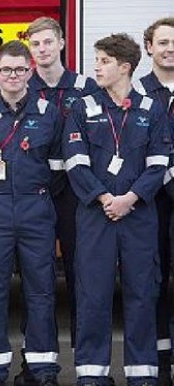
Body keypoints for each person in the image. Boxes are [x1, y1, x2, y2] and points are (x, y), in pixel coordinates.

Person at [63, 33, 169, 386]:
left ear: (124, 67)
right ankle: (92, 373)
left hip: (138, 216)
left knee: (142, 293)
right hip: (97, 215)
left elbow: (158, 165)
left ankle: (142, 374)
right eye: (96, 60)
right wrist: (106, 199)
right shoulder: (82, 107)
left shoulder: (151, 109)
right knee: (93, 293)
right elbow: (75, 162)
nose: (97, 67)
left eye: (104, 61)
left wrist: (130, 199)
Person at [0, 40, 63, 386]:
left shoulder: (49, 112)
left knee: (42, 291)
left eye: (20, 69)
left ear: (30, 72)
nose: (13, 76)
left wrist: (36, 196)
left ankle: (43, 369)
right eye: (6, 70)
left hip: (37, 209)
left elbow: (59, 169)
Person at [21, 16, 100, 386]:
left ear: (62, 44)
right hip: (35, 194)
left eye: (48, 43)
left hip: (75, 197)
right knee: (36, 281)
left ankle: (86, 365)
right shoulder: (22, 84)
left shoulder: (85, 87)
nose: (42, 50)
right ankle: (36, 366)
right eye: (35, 45)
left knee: (82, 279)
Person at [135, 18, 174, 386]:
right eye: (162, 42)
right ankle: (161, 362)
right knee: (154, 282)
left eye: (173, 43)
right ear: (149, 47)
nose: (169, 49)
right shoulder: (138, 91)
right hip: (152, 202)